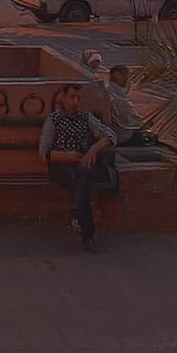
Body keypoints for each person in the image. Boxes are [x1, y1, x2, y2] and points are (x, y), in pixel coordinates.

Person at [38, 84, 116, 252]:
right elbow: (44, 152)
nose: (76, 101)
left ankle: (77, 217)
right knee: (80, 179)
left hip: (81, 165)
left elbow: (110, 135)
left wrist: (95, 148)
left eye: (78, 98)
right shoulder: (54, 120)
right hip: (61, 165)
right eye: (72, 97)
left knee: (81, 177)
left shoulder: (85, 118)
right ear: (63, 98)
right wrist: (68, 156)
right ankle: (86, 232)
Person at [105, 65, 160, 148]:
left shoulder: (110, 92)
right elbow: (128, 124)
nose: (128, 80)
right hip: (122, 137)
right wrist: (145, 124)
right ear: (118, 76)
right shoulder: (118, 99)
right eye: (126, 76)